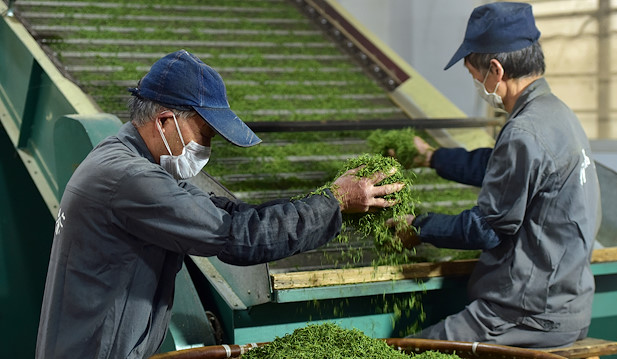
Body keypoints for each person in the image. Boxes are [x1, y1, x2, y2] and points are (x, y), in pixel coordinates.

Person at [36, 49, 404, 359]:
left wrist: (323, 201)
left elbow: (231, 214)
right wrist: (336, 201)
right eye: (205, 134)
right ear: (166, 121)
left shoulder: (132, 164)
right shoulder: (132, 179)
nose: (206, 149)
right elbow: (238, 238)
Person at [389, 2, 601, 349]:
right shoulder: (557, 115)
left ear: (496, 71)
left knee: (409, 351)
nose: (476, 83)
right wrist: (431, 157)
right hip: (566, 304)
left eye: (474, 74)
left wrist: (419, 227)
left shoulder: (525, 131)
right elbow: (501, 168)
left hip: (524, 315)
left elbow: (486, 227)